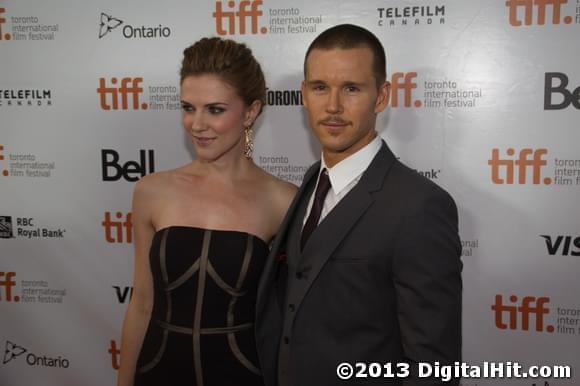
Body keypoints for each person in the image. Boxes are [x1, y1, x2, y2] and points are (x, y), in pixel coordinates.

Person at [255, 24, 462, 386]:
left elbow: (433, 368)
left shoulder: (420, 206)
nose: (332, 106)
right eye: (320, 88)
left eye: (351, 88)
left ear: (381, 98)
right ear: (304, 94)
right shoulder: (309, 183)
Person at [117, 37, 296, 386]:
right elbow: (141, 303)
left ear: (250, 111)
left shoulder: (283, 201)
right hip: (157, 373)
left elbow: (289, 319)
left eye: (214, 109)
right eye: (188, 107)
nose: (197, 124)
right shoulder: (151, 191)